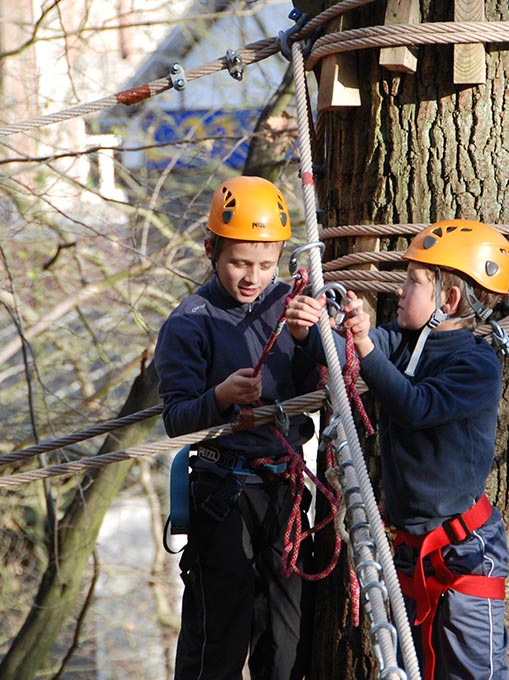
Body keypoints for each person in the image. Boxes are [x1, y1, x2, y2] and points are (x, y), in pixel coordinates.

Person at [286, 219, 509, 680]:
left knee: (473, 673)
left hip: (464, 550)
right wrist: (308, 331)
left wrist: (368, 347)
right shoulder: (405, 339)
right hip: (414, 547)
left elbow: (417, 405)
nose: (401, 292)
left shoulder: (476, 363)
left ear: (447, 301)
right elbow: (341, 354)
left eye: (413, 283)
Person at [156, 175, 317, 680]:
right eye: (239, 263)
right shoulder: (190, 322)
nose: (252, 277)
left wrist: (307, 339)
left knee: (285, 633)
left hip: (283, 487)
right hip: (222, 487)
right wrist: (220, 396)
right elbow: (176, 419)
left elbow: (324, 386)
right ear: (211, 250)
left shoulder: (289, 307)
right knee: (220, 633)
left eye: (265, 265)